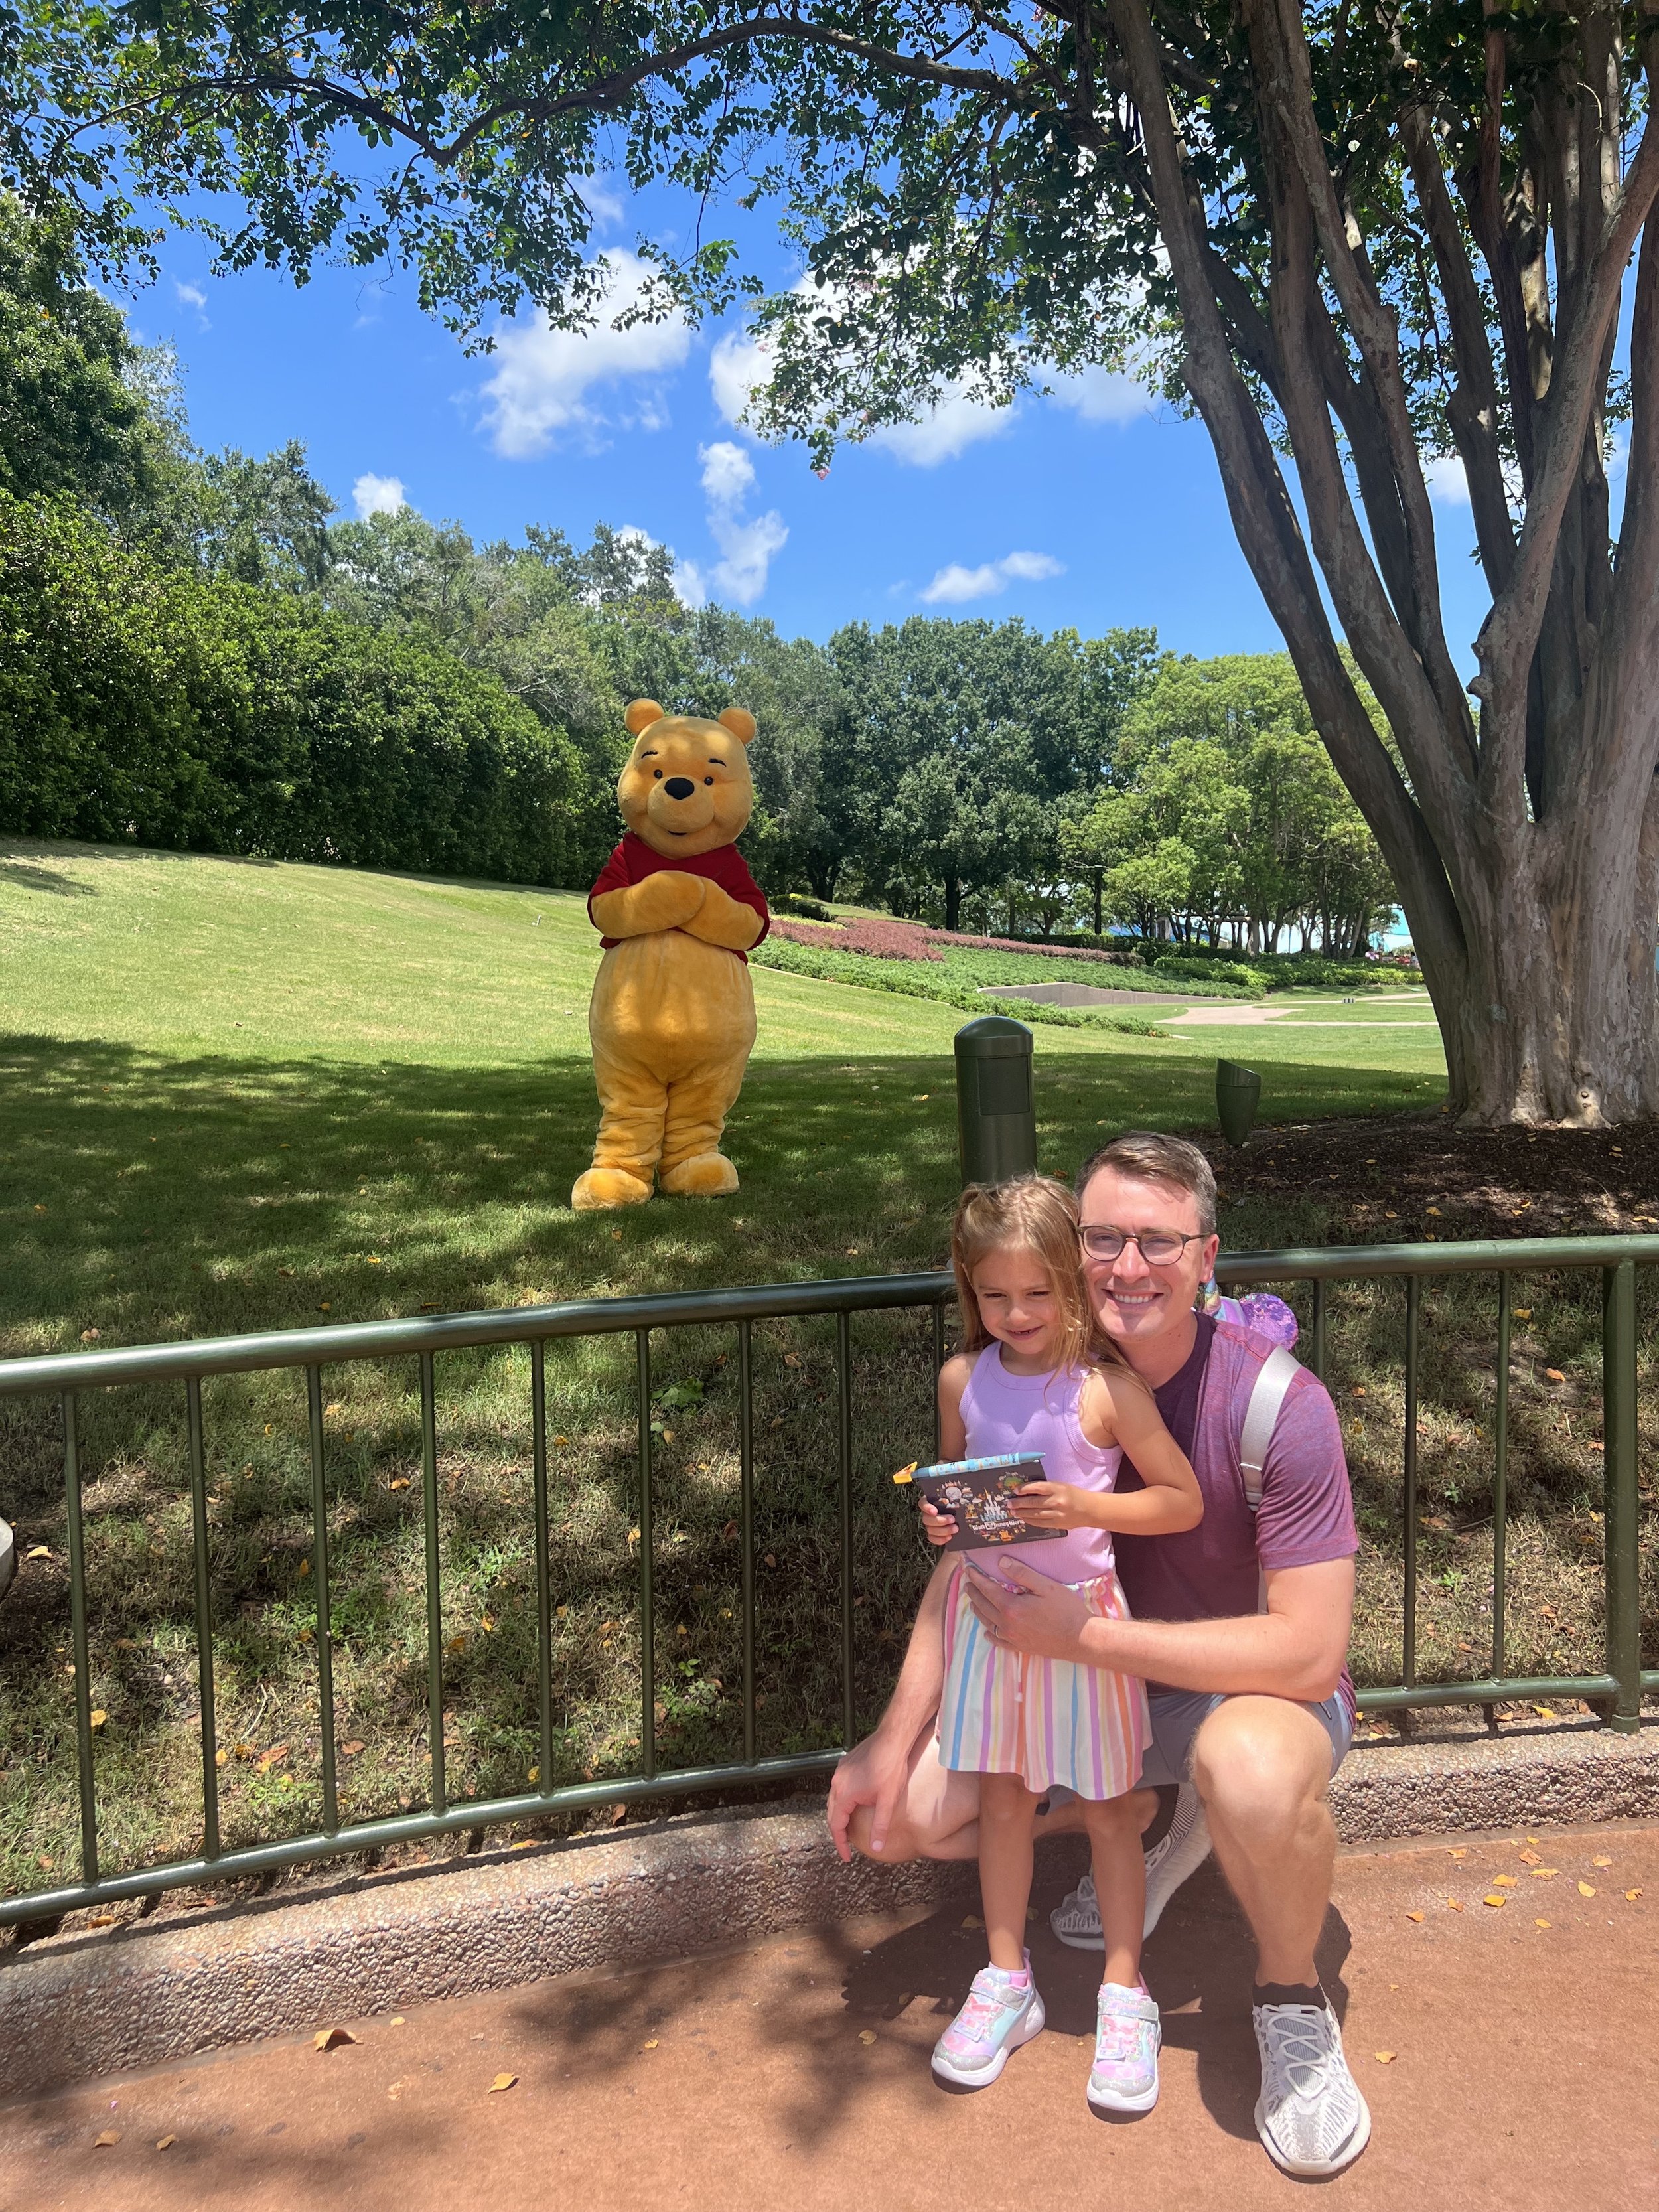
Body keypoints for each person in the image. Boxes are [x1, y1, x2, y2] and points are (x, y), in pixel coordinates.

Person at [826, 1133, 1369, 2179]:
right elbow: (971, 1568)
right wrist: (887, 1743)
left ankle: (1292, 2002)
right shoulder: (1006, 1378)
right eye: (1107, 1238)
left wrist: (1087, 1634)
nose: (1129, 1265)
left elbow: (1307, 1653)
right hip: (1072, 1670)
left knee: (1247, 1768)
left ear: (1208, 1256)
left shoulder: (1278, 1406)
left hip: (1240, 1693)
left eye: (1158, 1241)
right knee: (897, 1817)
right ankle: (1156, 1836)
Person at [919, 1177, 1202, 2112]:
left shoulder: (1105, 1388)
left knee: (1113, 1809)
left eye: (1038, 1292)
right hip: (990, 1624)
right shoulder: (963, 1379)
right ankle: (1009, 1978)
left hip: (1082, 1626)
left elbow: (1180, 1499)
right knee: (1003, 1801)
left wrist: (1085, 1504)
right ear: (970, 1291)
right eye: (995, 1296)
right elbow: (963, 1493)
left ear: (1071, 1287)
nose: (1017, 1313)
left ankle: (1128, 1992)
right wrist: (942, 1519)